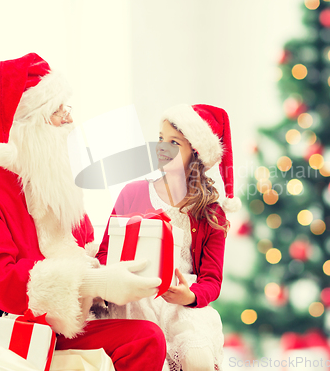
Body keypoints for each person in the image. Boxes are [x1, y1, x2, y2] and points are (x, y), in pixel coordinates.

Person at [0, 53, 166, 371]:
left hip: (66, 326)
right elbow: (4, 282)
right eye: (59, 112)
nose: (70, 120)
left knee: (148, 336)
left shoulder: (53, 179)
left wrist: (140, 270)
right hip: (6, 333)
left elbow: (87, 250)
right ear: (30, 123)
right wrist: (95, 283)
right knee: (146, 339)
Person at [97, 104, 241, 371]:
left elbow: (212, 280)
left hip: (180, 304)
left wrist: (188, 296)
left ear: (195, 153)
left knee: (197, 359)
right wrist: (114, 277)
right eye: (161, 138)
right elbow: (105, 252)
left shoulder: (211, 213)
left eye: (174, 142)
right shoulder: (134, 193)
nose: (162, 148)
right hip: (134, 299)